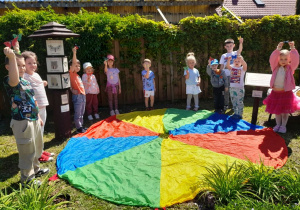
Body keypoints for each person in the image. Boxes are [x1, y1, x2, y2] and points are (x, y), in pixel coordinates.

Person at [3, 47, 49, 185]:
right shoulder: (11, 81)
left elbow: (32, 99)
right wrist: (12, 57)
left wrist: (39, 117)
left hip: (33, 119)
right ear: (8, 67)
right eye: (18, 65)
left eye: (23, 65)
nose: (22, 68)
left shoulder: (26, 81)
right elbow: (14, 77)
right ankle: (27, 179)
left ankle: (35, 170)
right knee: (26, 151)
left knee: (34, 147)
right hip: (22, 122)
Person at [22, 51, 54, 162]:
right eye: (29, 63)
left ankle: (41, 150)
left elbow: (38, 84)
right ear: (23, 64)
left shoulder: (36, 74)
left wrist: (43, 82)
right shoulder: (24, 76)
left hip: (42, 106)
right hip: (34, 108)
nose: (33, 65)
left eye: (34, 63)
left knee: (41, 129)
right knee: (36, 131)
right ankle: (37, 154)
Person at [263, 41, 300, 133]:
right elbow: (272, 58)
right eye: (281, 59)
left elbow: (296, 59)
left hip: (286, 93)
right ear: (278, 60)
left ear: (289, 60)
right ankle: (278, 124)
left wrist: (292, 48)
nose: (283, 61)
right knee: (277, 111)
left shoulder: (290, 68)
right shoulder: (275, 67)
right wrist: (278, 48)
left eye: (285, 59)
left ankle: (283, 126)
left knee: (285, 112)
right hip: (276, 93)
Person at [219, 37, 243, 110]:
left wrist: (241, 43)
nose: (229, 47)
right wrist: (220, 75)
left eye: (230, 46)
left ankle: (234, 105)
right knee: (226, 90)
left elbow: (240, 50)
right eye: (227, 46)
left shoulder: (235, 53)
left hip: (234, 75)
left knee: (234, 90)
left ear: (233, 45)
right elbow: (222, 66)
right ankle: (226, 104)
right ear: (225, 47)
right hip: (226, 76)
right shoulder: (223, 56)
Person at [69, 46, 86, 133]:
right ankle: (78, 128)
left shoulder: (78, 76)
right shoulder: (71, 73)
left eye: (79, 66)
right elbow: (74, 62)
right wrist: (74, 53)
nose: (78, 67)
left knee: (82, 112)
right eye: (76, 65)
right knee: (78, 113)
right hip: (77, 96)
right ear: (71, 66)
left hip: (82, 95)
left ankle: (81, 126)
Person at [226, 55, 247, 119]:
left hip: (240, 88)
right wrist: (229, 60)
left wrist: (242, 60)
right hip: (232, 88)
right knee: (234, 101)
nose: (237, 62)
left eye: (239, 61)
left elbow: (245, 66)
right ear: (233, 62)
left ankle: (240, 114)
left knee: (239, 101)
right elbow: (228, 66)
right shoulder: (232, 68)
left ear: (241, 63)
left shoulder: (242, 69)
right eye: (235, 61)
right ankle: (235, 113)